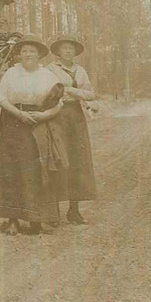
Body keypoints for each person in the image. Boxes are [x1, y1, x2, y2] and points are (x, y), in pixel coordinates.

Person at [0, 34, 68, 236]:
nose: (28, 54)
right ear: (19, 54)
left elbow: (58, 104)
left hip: (38, 123)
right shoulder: (11, 73)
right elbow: (1, 98)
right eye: (24, 51)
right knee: (12, 169)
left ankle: (37, 220)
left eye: (32, 51)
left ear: (39, 55)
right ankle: (13, 220)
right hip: (13, 122)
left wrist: (43, 115)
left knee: (39, 170)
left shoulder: (48, 76)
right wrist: (19, 114)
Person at [47, 35, 98, 224]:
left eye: (71, 48)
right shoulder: (50, 69)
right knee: (57, 158)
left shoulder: (80, 70)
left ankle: (74, 210)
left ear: (75, 52)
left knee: (78, 159)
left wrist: (71, 91)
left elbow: (90, 94)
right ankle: (53, 211)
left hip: (75, 116)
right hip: (56, 115)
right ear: (58, 51)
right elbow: (48, 91)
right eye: (64, 48)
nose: (68, 51)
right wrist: (63, 94)